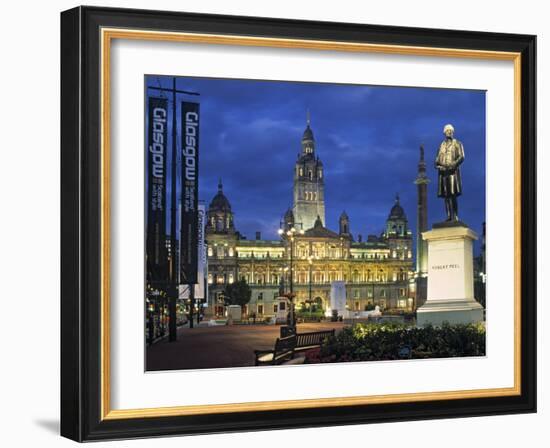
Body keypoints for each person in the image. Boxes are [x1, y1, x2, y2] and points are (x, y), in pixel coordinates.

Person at [435, 124, 465, 221]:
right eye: (447, 130)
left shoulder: (457, 143)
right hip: (443, 173)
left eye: (451, 130)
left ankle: (455, 216)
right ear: (444, 132)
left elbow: (461, 156)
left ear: (453, 132)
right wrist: (439, 167)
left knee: (453, 194)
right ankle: (448, 216)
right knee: (446, 196)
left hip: (453, 172)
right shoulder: (441, 145)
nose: (449, 132)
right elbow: (436, 161)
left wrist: (454, 164)